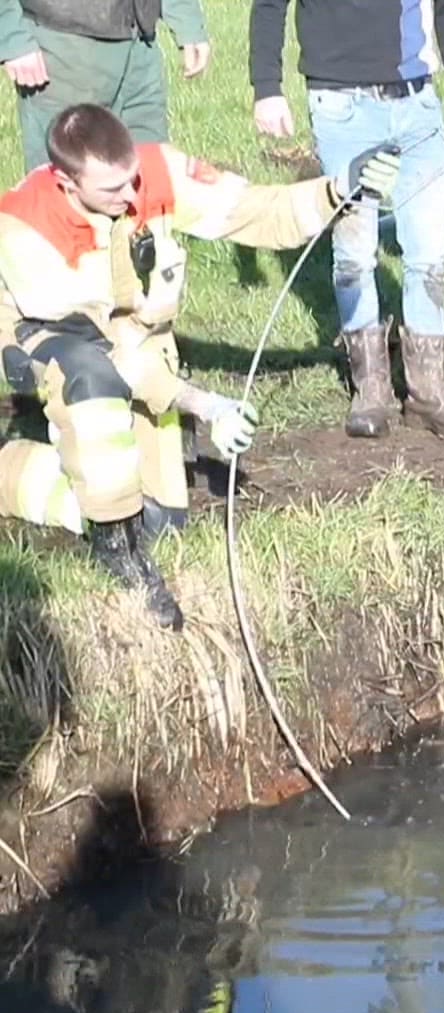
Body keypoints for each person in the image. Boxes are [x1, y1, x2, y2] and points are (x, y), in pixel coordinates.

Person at [0, 104, 400, 629]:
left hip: (135, 347)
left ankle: (119, 492)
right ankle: (110, 544)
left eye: (131, 181)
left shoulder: (154, 173)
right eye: (112, 190)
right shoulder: (27, 233)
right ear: (65, 182)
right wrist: (205, 403)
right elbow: (115, 360)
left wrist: (337, 189)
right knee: (91, 388)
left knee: (163, 520)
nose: (130, 197)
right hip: (48, 344)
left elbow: (256, 211)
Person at [248, 0, 444, 443]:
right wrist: (267, 86)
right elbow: (268, 5)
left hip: (418, 106)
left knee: (428, 256)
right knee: (355, 256)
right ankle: (371, 390)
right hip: (341, 107)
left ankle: (429, 394)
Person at [1, 0, 212, 173]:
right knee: (66, 186)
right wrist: (11, 36)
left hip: (139, 45)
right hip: (62, 44)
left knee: (150, 173)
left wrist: (186, 17)